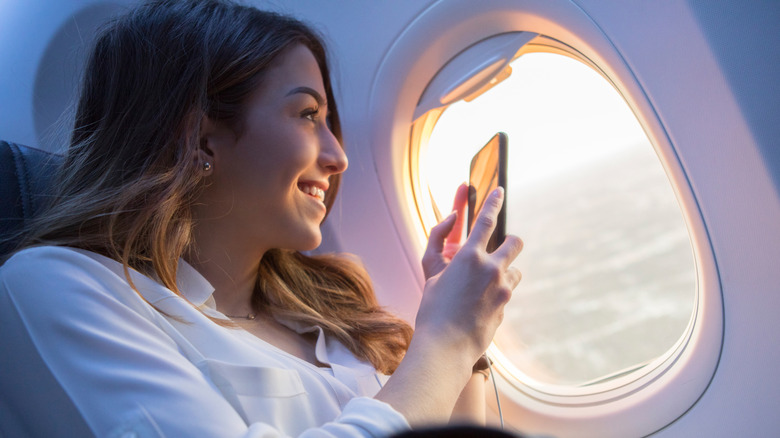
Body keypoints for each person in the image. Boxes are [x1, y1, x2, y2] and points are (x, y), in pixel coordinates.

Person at [0, 1, 524, 437]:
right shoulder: (55, 285)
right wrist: (442, 341)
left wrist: (468, 339)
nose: (338, 156)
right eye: (307, 115)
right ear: (202, 138)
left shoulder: (329, 311)